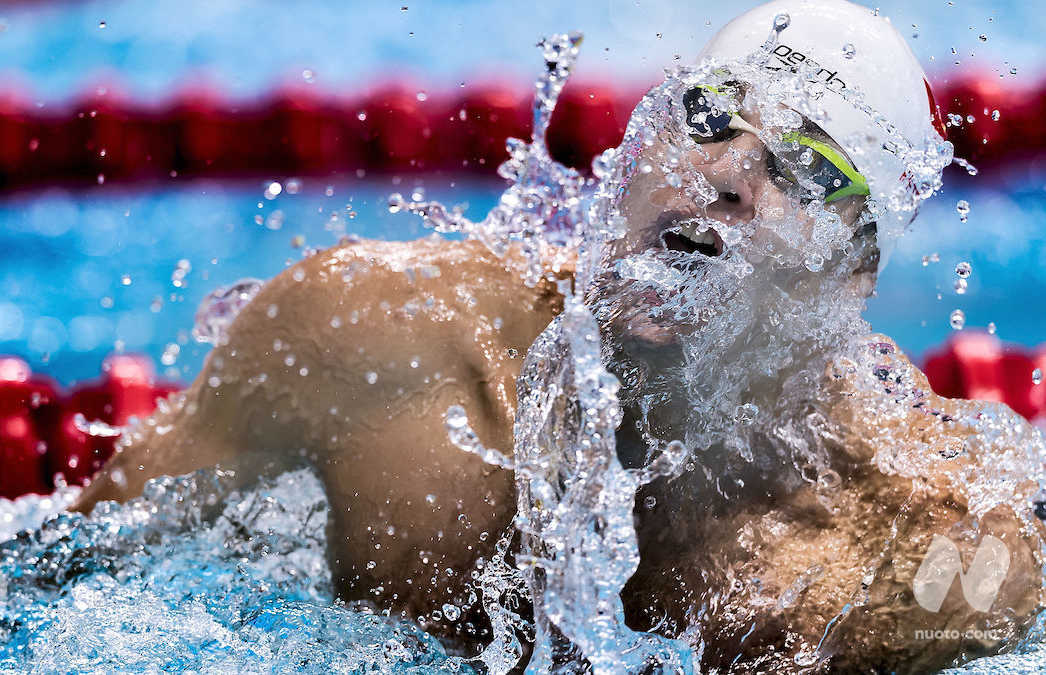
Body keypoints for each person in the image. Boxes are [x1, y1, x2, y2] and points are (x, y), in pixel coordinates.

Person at [72, 0, 1046, 670]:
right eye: (711, 117)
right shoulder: (380, 341)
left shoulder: (899, 557)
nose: (729, 174)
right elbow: (63, 588)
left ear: (852, 274)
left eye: (806, 168)